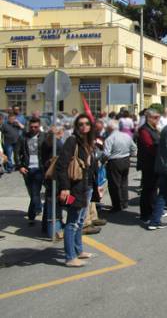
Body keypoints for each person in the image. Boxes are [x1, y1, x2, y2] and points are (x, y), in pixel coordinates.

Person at [55, 114, 98, 267]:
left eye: (87, 124)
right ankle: (70, 257)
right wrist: (65, 187)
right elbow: (62, 166)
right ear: (76, 126)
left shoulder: (88, 142)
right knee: (72, 222)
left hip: (86, 187)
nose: (84, 126)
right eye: (80, 124)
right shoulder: (72, 141)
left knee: (80, 221)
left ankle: (78, 251)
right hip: (73, 190)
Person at [15, 117, 46, 226]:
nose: (33, 129)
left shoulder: (44, 136)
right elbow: (17, 152)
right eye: (31, 127)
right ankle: (35, 210)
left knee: (35, 191)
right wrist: (19, 166)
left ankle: (34, 212)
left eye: (36, 127)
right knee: (32, 193)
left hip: (39, 168)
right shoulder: (23, 137)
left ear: (39, 126)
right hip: (27, 168)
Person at [103, 120, 137, 213]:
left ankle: (117, 205)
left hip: (115, 161)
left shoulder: (110, 139)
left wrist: (103, 161)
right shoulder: (127, 136)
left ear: (109, 128)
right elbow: (134, 148)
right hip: (125, 160)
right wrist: (130, 155)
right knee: (124, 182)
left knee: (114, 185)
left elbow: (106, 154)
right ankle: (124, 202)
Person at [137, 109, 162, 223]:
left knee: (153, 189)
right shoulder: (144, 130)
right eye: (156, 117)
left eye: (158, 117)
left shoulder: (154, 129)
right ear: (149, 118)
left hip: (154, 163)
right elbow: (150, 147)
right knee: (148, 189)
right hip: (148, 164)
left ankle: (152, 211)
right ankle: (145, 214)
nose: (158, 119)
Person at [41, 126, 65, 239]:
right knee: (57, 202)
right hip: (55, 178)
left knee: (49, 202)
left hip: (47, 176)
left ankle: (46, 226)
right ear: (60, 133)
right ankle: (55, 229)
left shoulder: (46, 142)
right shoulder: (58, 144)